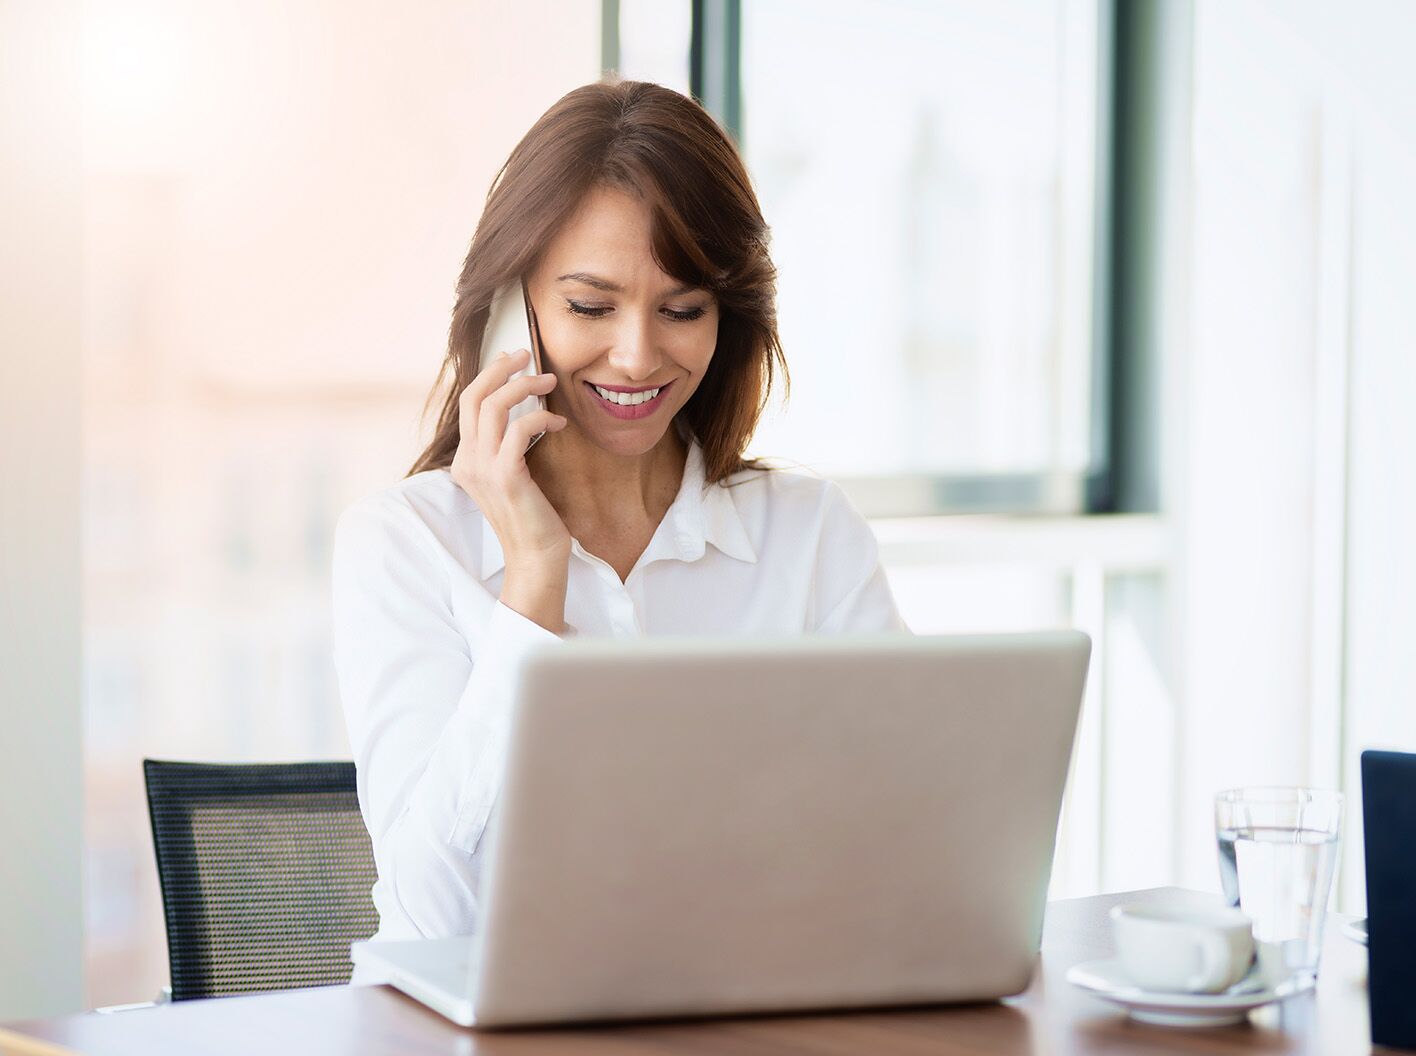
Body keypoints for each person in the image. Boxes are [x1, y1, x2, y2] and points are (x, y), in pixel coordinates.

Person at [332, 78, 909, 948]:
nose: (638, 356)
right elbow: (437, 916)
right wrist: (533, 581)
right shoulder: (405, 545)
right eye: (590, 307)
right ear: (508, 311)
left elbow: (909, 848)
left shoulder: (810, 535)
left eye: (683, 310)